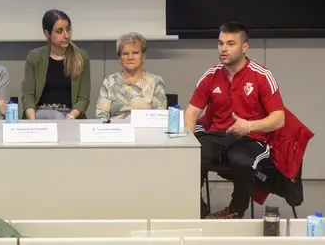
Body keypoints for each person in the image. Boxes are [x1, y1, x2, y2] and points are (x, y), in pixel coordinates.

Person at [185, 22, 285, 219]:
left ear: (244, 47)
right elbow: (191, 112)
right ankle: (196, 207)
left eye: (230, 44)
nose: (223, 49)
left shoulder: (262, 75)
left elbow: (279, 119)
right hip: (215, 136)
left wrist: (248, 126)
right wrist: (187, 142)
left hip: (250, 138)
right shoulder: (211, 75)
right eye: (221, 43)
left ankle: (235, 211)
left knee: (242, 161)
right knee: (190, 156)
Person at [22, 9, 92, 120]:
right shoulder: (34, 57)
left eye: (68, 29)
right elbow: (28, 96)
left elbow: (83, 99)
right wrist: (32, 122)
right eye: (59, 31)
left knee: (60, 118)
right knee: (56, 116)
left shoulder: (81, 57)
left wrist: (71, 117)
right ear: (47, 33)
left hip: (69, 115)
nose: (66, 35)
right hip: (41, 113)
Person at [95, 32, 167, 120]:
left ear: (143, 56)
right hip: (115, 131)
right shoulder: (109, 82)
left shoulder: (156, 82)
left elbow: (158, 117)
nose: (130, 57)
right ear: (120, 58)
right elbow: (101, 115)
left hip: (144, 131)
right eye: (125, 53)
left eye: (135, 53)